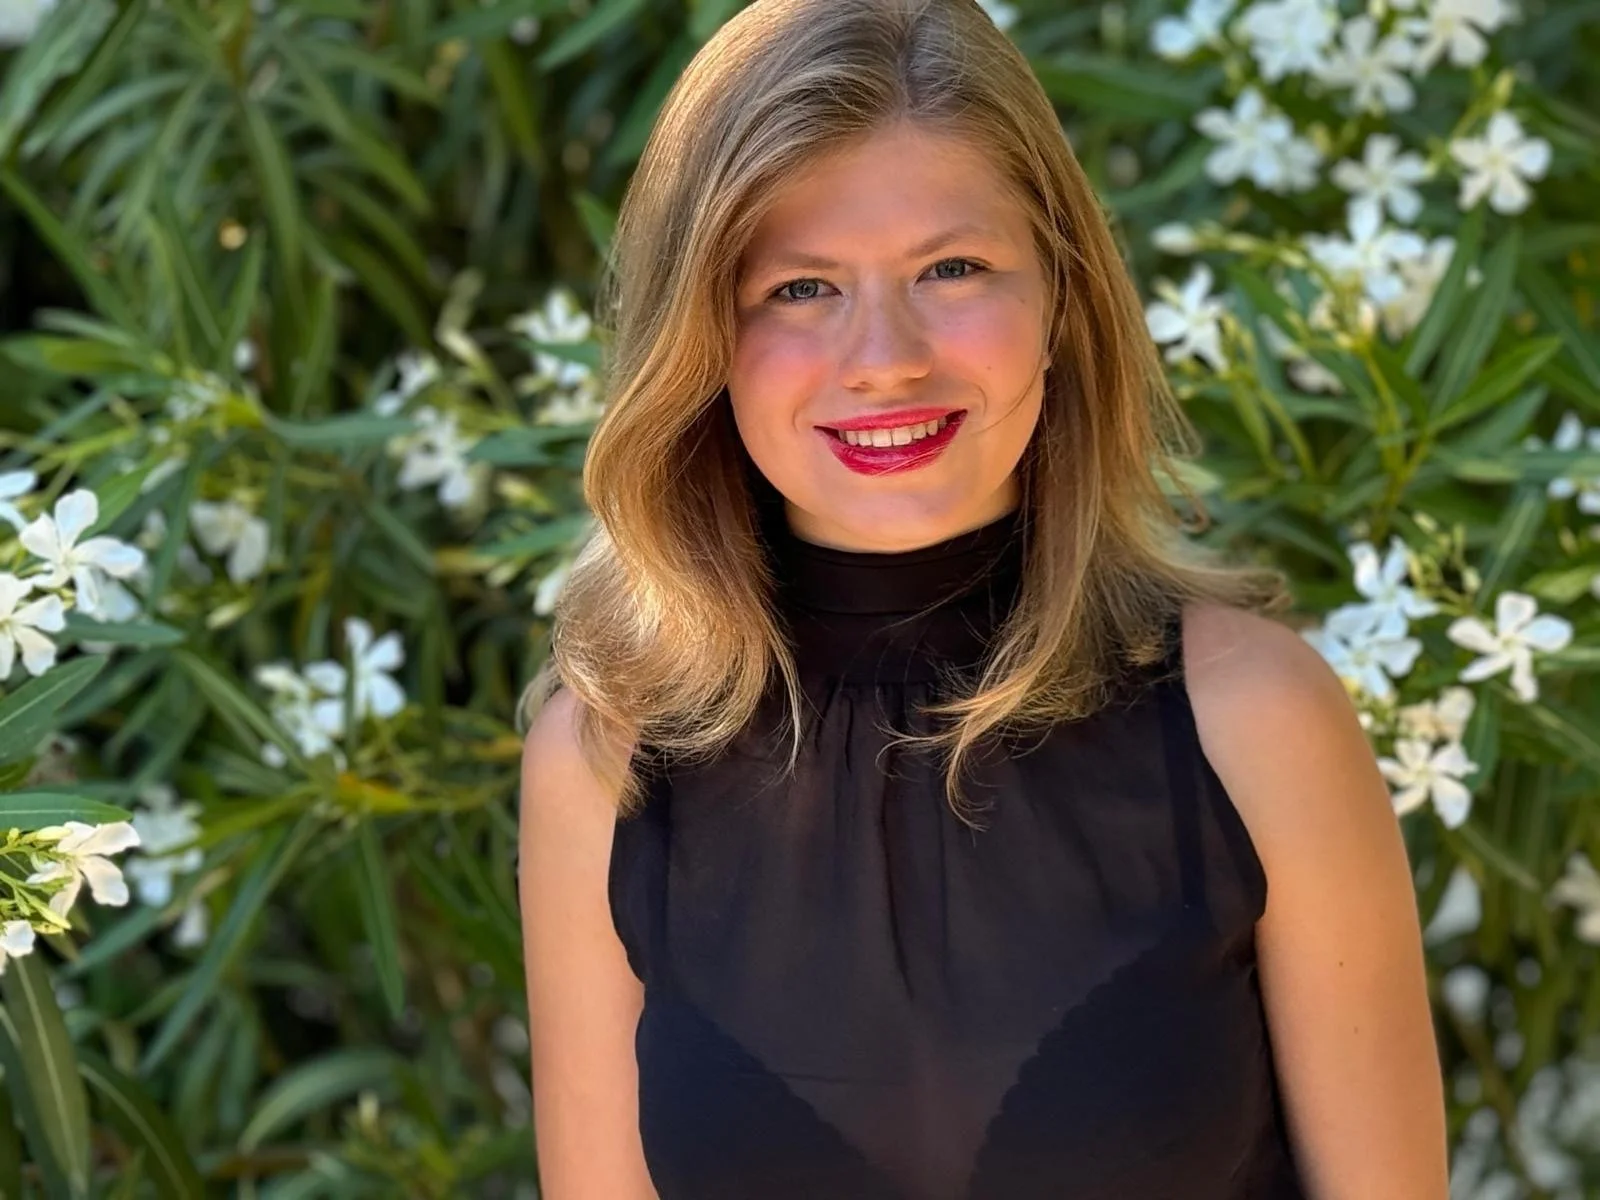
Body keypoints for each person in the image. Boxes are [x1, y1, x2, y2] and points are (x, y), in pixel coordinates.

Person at [516, 0, 1450, 1196]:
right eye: (801, 289)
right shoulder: (605, 761)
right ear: (700, 340)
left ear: (1060, 300)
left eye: (951, 268)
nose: (885, 356)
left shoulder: (1250, 717)